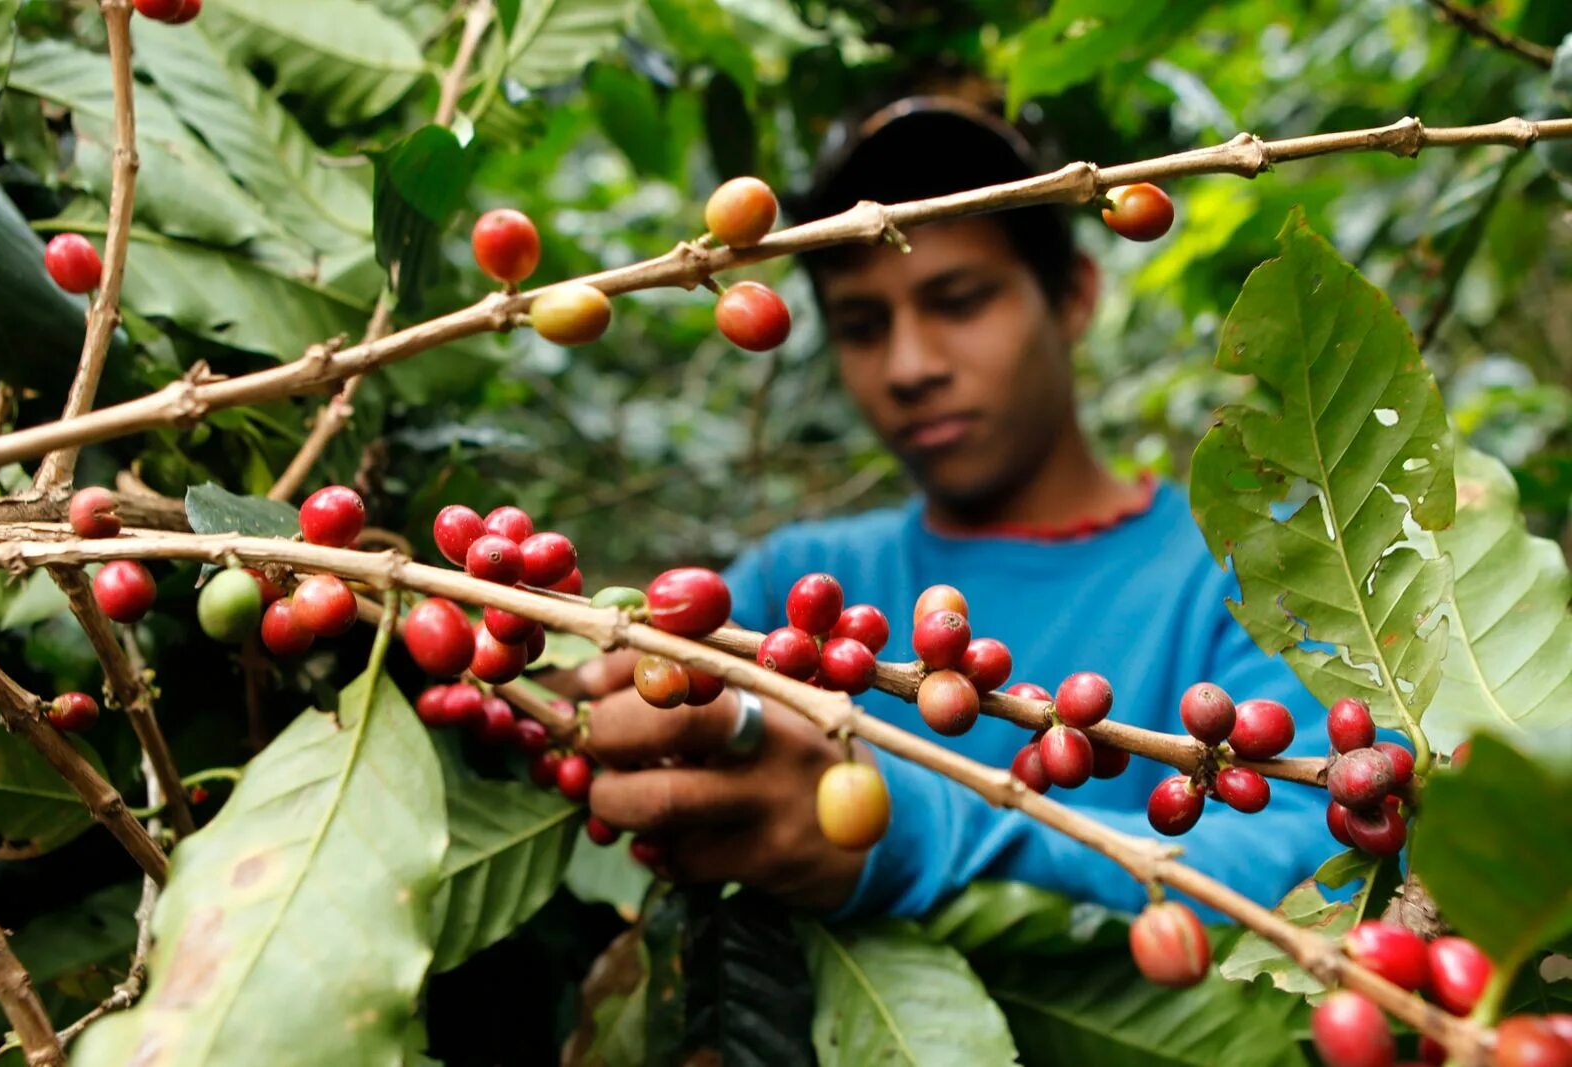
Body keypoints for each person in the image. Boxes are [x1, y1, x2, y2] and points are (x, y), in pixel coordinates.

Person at [566, 97, 1340, 920]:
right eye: (863, 325)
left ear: (1073, 296)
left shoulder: (1256, 573)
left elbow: (1323, 866)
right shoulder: (792, 585)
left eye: (959, 301)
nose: (910, 365)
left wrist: (929, 836)